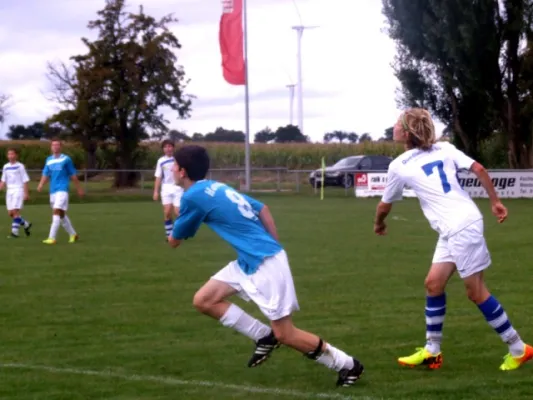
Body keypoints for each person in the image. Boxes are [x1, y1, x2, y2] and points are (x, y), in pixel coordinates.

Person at [167, 145, 364, 387]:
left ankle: (348, 365)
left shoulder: (192, 196)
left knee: (286, 334)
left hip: (264, 263)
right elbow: (263, 209)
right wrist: (274, 246)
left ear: (183, 171)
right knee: (204, 300)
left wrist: (169, 218)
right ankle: (264, 336)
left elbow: (174, 241)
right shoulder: (215, 186)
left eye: (174, 165)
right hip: (250, 260)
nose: (171, 170)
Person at [373, 108, 532, 371]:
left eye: (397, 123)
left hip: (460, 228)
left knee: (476, 292)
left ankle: (518, 348)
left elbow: (384, 206)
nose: (393, 126)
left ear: (407, 132)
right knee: (433, 284)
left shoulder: (399, 165)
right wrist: (495, 202)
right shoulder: (445, 149)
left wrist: (379, 224)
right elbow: (479, 168)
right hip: (454, 227)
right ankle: (432, 351)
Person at [37, 138, 84, 244]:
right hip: (52, 190)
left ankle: (52, 238)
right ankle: (73, 234)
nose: (55, 147)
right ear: (51, 147)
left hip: (62, 189)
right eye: (53, 145)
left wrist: (79, 189)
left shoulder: (66, 159)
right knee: (61, 214)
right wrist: (40, 184)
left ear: (61, 147)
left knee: (56, 211)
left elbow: (73, 175)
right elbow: (45, 174)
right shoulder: (49, 160)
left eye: (57, 145)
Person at [153, 140, 184, 240]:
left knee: (178, 212)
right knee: (167, 213)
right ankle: (169, 235)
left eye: (170, 146)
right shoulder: (161, 161)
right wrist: (156, 191)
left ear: (173, 148)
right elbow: (158, 176)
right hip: (166, 188)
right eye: (165, 147)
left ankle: (179, 233)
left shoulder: (179, 159)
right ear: (163, 149)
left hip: (178, 188)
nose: (168, 148)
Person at [0, 148, 32, 238]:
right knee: (11, 213)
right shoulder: (5, 166)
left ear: (16, 155)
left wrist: (26, 193)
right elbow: (3, 180)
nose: (11, 156)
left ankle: (14, 233)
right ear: (7, 156)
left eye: (12, 154)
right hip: (9, 191)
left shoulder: (20, 166)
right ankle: (26, 224)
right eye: (9, 154)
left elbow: (25, 180)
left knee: (15, 211)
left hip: (18, 190)